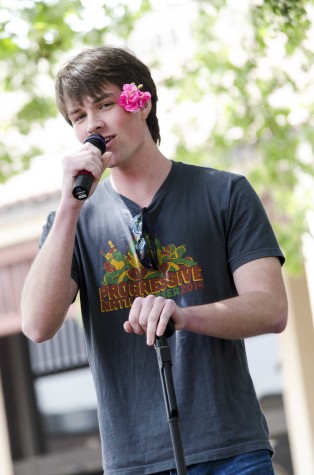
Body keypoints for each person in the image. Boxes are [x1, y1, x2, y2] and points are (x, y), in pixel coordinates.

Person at [21, 45, 288, 475]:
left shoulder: (224, 193)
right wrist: (70, 206)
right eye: (78, 116)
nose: (93, 125)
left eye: (104, 105)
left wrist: (184, 316)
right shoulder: (71, 222)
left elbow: (272, 309)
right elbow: (36, 324)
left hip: (233, 452)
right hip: (134, 463)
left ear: (139, 100)